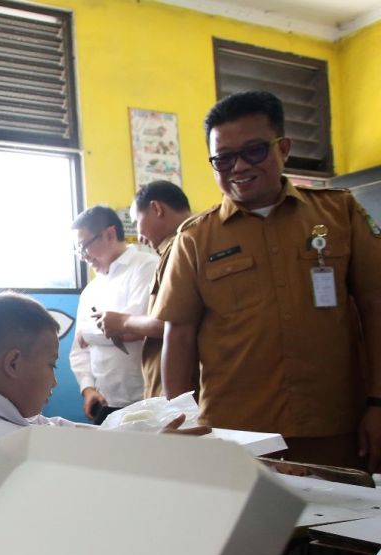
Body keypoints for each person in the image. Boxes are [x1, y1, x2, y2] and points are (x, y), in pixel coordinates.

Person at [156, 90, 381, 470]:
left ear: (284, 148)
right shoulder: (195, 238)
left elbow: (376, 308)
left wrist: (378, 403)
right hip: (236, 438)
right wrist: (179, 426)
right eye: (223, 158)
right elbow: (178, 336)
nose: (239, 167)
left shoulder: (340, 213)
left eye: (254, 151)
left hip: (336, 428)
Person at [0, 293, 86, 496]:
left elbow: (49, 425)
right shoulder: (7, 449)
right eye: (51, 365)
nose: (54, 382)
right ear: (14, 363)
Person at [93, 181, 194, 399]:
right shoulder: (181, 246)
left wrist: (122, 322)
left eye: (137, 221)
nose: (138, 236)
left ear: (157, 209)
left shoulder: (181, 247)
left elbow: (170, 323)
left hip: (184, 392)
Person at [68, 205, 158, 423]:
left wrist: (87, 333)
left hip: (145, 400)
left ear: (109, 234)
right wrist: (88, 388)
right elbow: (78, 352)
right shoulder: (92, 289)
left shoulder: (146, 267)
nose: (83, 256)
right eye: (78, 250)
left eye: (84, 246)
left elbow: (135, 329)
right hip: (104, 402)